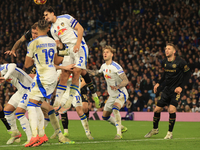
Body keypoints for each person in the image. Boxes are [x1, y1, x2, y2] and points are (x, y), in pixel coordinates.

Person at [24, 19, 74, 147]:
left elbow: (27, 64)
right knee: (41, 105)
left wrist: (36, 58)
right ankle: (44, 135)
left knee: (31, 104)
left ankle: (35, 136)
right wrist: (64, 51)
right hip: (52, 76)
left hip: (42, 77)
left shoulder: (33, 43)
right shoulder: (53, 42)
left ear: (36, 30)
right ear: (48, 29)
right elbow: (57, 60)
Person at [43, 6, 100, 112]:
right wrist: (57, 45)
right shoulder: (52, 30)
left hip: (79, 46)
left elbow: (80, 29)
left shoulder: (65, 17)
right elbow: (61, 46)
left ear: (52, 13)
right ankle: (57, 102)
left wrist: (78, 44)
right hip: (69, 50)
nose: (45, 17)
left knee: (78, 71)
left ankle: (72, 98)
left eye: (46, 15)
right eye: (44, 16)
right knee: (65, 72)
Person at [144, 43, 191, 139]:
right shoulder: (164, 62)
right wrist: (158, 83)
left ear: (174, 51)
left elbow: (188, 74)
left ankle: (170, 133)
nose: (166, 50)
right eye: (166, 49)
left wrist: (181, 87)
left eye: (169, 49)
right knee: (157, 109)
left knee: (171, 109)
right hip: (167, 89)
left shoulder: (180, 62)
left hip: (176, 90)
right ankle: (155, 129)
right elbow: (165, 75)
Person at [87, 45, 129, 139]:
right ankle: (121, 127)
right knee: (105, 116)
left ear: (112, 54)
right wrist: (84, 70)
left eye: (107, 52)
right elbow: (96, 73)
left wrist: (117, 86)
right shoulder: (103, 66)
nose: (105, 53)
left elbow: (126, 81)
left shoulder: (116, 67)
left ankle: (119, 134)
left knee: (115, 108)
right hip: (112, 95)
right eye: (104, 52)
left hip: (120, 93)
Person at [54, 71, 93, 140]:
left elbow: (84, 79)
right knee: (56, 109)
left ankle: (88, 133)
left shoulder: (77, 68)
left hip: (75, 93)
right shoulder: (61, 70)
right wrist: (60, 76)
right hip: (66, 93)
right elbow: (57, 81)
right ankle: (58, 132)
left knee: (80, 112)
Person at [1, 63, 33, 145]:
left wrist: (5, 77)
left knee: (19, 113)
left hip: (29, 89)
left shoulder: (2, 68)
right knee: (7, 110)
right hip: (20, 91)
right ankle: (15, 133)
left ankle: (30, 138)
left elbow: (13, 65)